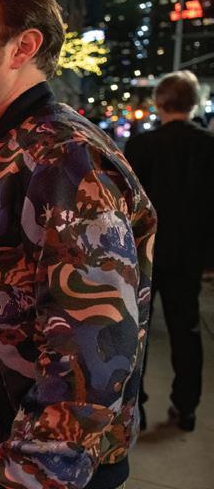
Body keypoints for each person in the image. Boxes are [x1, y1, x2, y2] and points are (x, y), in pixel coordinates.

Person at [0, 0, 157, 489]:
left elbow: (96, 349)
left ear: (22, 48)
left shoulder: (63, 157)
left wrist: (30, 473)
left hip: (19, 471)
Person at [125, 70, 214, 432]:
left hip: (145, 252)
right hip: (189, 252)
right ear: (193, 103)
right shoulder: (208, 145)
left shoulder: (141, 146)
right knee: (187, 330)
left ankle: (137, 406)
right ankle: (186, 406)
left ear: (159, 103)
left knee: (137, 333)